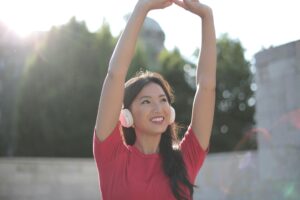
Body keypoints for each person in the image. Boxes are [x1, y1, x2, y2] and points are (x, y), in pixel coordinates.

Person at [93, 0, 216, 199]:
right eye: (146, 101)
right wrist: (142, 7)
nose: (158, 107)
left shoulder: (185, 159)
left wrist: (206, 16)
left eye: (162, 100)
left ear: (170, 111)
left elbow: (207, 87)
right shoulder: (112, 156)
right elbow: (115, 73)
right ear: (126, 115)